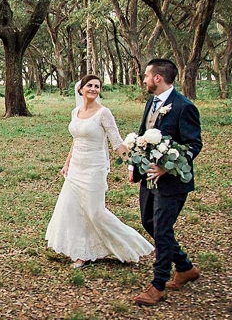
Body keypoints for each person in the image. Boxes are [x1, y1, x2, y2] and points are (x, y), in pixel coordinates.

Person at [46, 75, 154, 269]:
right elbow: (76, 139)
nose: (94, 89)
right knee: (74, 210)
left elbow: (116, 141)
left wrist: (133, 161)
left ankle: (130, 245)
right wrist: (67, 163)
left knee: (95, 212)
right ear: (81, 89)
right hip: (76, 167)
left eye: (97, 86)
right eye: (90, 85)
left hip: (94, 168)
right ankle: (82, 253)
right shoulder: (75, 111)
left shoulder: (104, 113)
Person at [131, 58, 203, 306]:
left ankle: (158, 285)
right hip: (148, 177)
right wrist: (135, 165)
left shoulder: (184, 107)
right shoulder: (152, 102)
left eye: (147, 76)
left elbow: (194, 145)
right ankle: (184, 267)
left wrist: (166, 166)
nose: (144, 80)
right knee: (148, 223)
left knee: (162, 229)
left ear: (158, 78)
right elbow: (143, 134)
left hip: (172, 182)